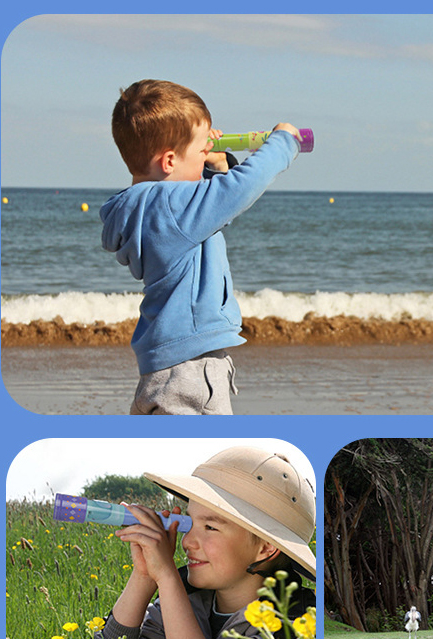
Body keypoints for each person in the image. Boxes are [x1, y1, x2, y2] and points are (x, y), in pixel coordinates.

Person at [82, 446, 316, 639]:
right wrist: (144, 576)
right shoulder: (188, 596)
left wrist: (165, 577)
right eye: (190, 522)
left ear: (265, 549)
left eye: (210, 527)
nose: (187, 541)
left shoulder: (299, 621)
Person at [101, 79, 302, 414]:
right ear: (168, 161)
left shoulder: (144, 207)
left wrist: (211, 166)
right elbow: (239, 190)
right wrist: (283, 143)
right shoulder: (171, 207)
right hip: (190, 368)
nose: (207, 153)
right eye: (200, 151)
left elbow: (207, 217)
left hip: (163, 369)